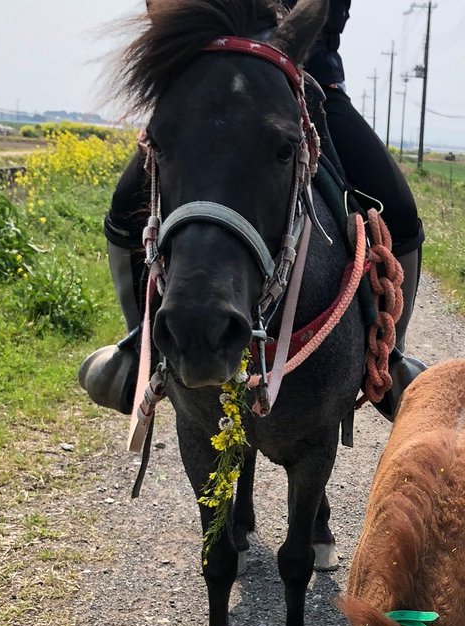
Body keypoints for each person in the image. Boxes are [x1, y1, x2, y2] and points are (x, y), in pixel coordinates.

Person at [79, 0, 425, 417]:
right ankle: (138, 346)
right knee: (126, 203)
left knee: (399, 210)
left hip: (311, 79)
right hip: (210, 72)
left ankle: (389, 357)